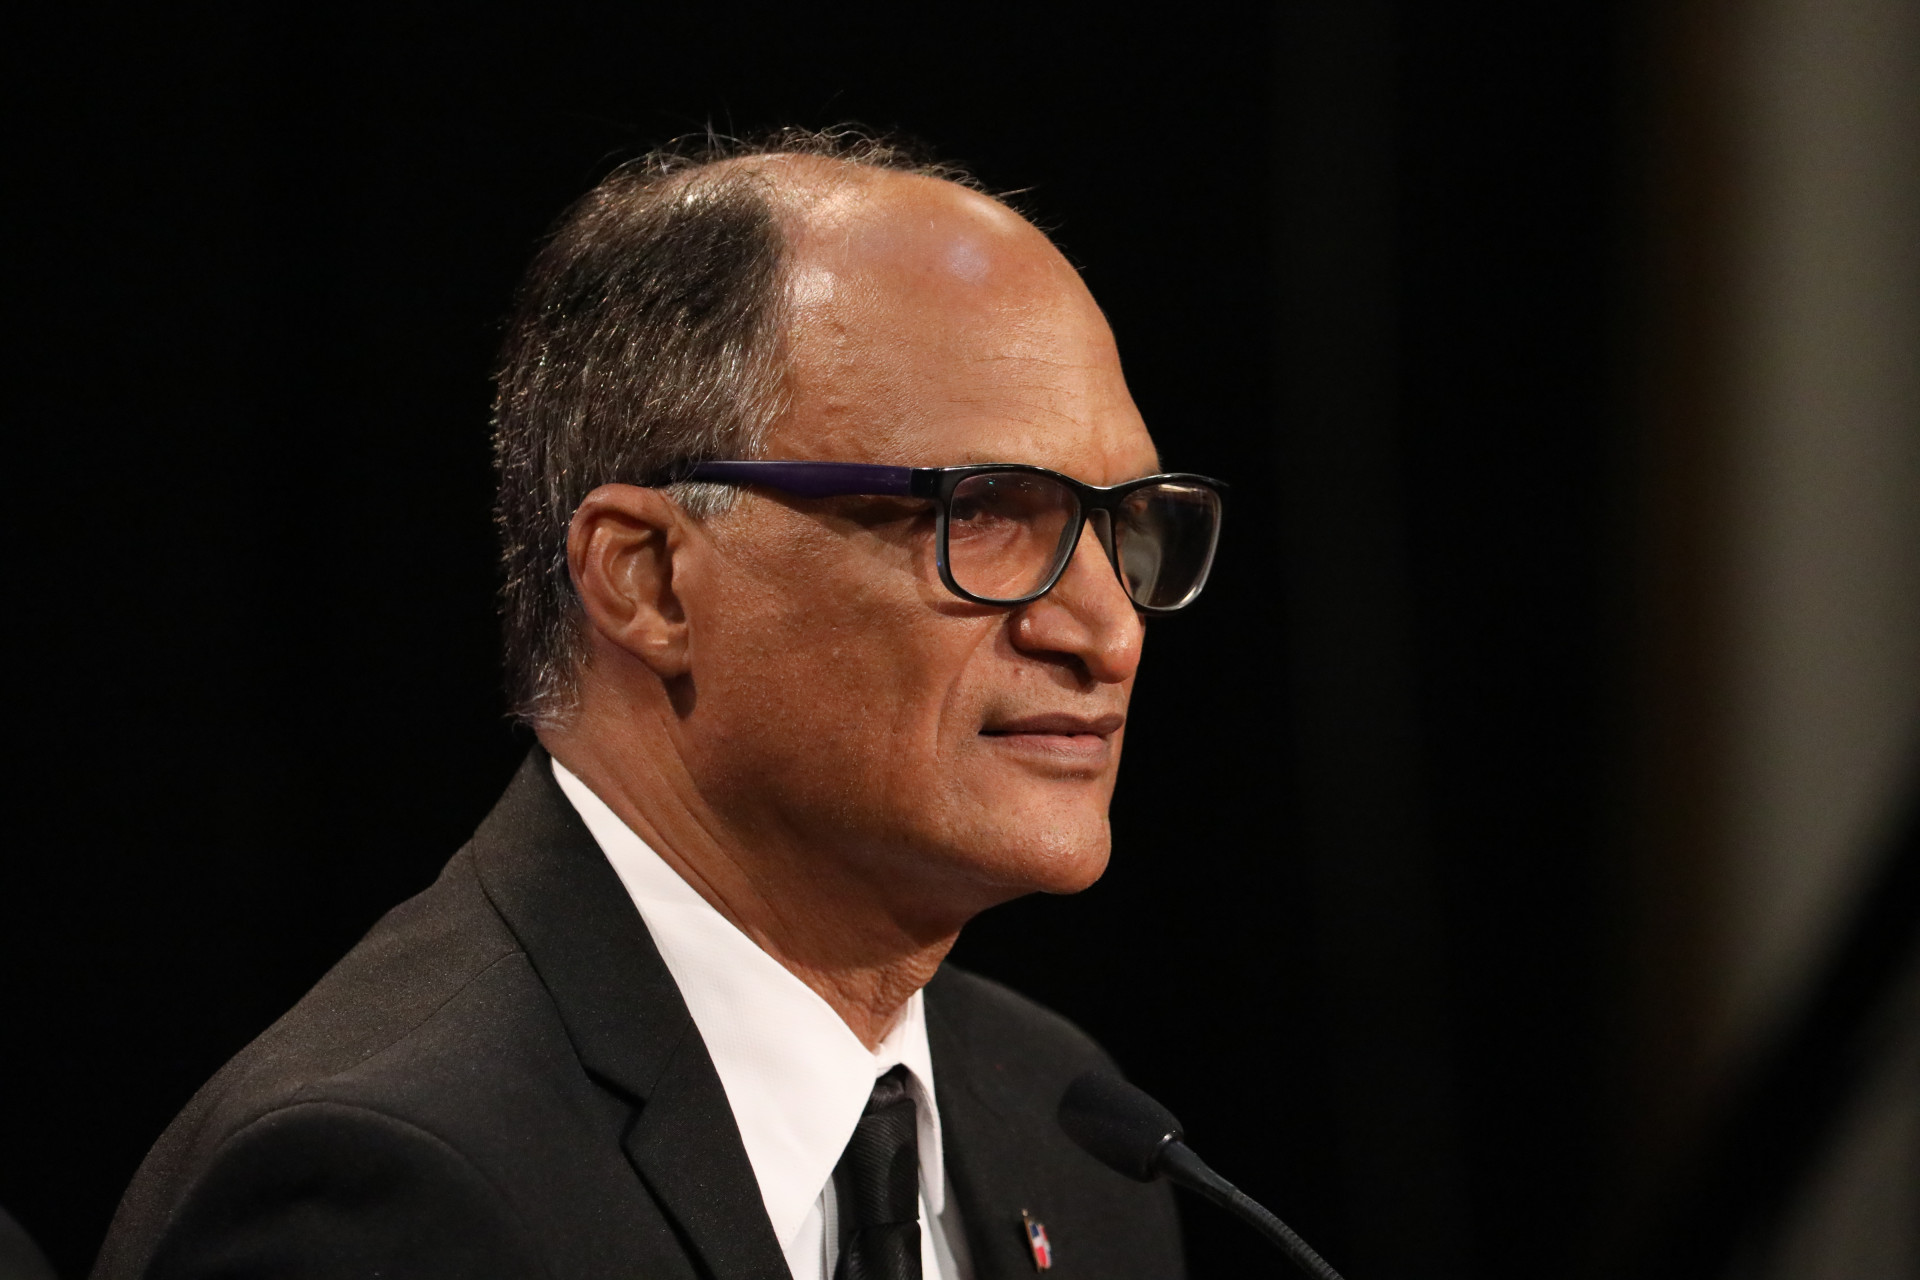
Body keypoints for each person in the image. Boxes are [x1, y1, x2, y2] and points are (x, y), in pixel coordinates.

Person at [93, 130, 1224, 1280]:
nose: (1109, 631)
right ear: (650, 580)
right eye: (982, 509)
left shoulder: (1074, 1135)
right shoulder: (390, 1184)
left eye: (1126, 524)